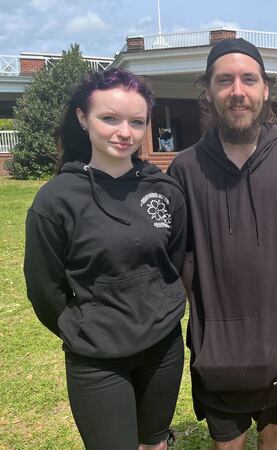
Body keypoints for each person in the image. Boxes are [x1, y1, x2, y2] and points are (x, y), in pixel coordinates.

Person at [167, 38, 277, 449]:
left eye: (249, 79)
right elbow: (176, 263)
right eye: (224, 80)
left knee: (276, 439)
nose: (237, 91)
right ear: (208, 91)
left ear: (266, 89)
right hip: (216, 352)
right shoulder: (185, 169)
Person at [24, 68, 187, 449]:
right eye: (109, 118)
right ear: (83, 118)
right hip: (97, 359)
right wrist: (87, 327)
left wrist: (160, 308)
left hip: (163, 348)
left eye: (136, 121)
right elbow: (45, 288)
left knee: (155, 442)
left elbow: (172, 262)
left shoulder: (164, 189)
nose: (124, 132)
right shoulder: (56, 200)